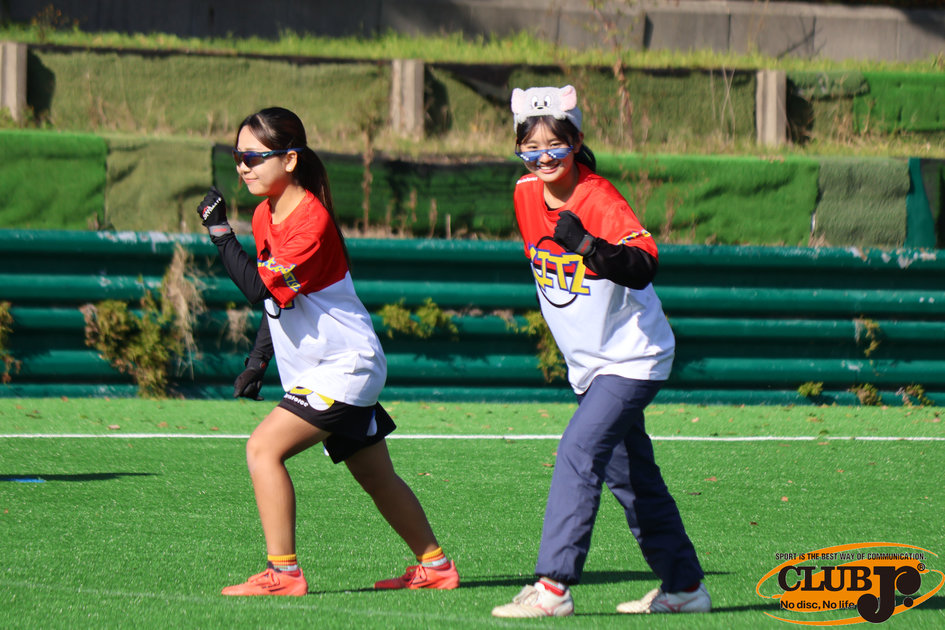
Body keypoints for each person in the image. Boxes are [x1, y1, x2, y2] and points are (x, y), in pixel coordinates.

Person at [196, 106, 459, 596]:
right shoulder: (265, 213)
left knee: (262, 449)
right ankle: (436, 566)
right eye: (238, 156)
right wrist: (258, 361)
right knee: (376, 476)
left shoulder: (310, 222)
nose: (242, 167)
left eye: (253, 157)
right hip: (326, 368)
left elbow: (258, 288)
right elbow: (278, 299)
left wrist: (219, 233)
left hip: (345, 366)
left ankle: (283, 573)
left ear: (290, 159)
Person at [491, 86, 710, 617]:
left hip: (633, 358)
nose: (544, 157)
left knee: (578, 449)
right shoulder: (525, 192)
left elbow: (645, 263)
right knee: (633, 479)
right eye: (530, 147)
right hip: (589, 366)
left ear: (576, 141)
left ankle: (553, 588)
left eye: (555, 145)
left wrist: (589, 246)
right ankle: (684, 587)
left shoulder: (600, 199)